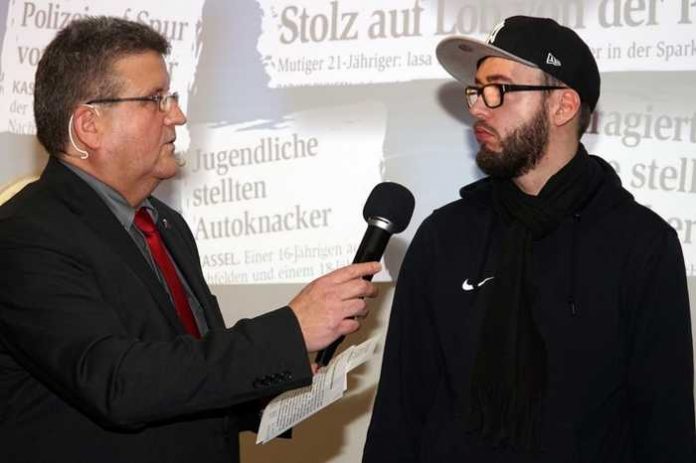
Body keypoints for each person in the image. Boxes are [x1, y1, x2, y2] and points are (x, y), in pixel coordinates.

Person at [0, 17, 380, 463]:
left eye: (172, 98)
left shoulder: (165, 224)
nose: (177, 115)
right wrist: (288, 332)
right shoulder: (24, 236)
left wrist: (269, 394)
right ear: (89, 126)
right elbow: (119, 384)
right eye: (155, 100)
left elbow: (184, 377)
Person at [363, 15, 695, 462]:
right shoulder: (444, 238)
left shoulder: (641, 244)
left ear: (562, 106)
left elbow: (665, 429)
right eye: (476, 91)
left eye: (499, 88)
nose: (479, 107)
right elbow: (399, 416)